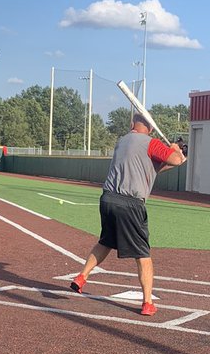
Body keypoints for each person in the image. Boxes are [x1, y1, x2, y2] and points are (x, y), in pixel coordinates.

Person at [69, 113, 185, 315]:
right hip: (130, 203)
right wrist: (175, 151)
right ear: (150, 128)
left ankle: (82, 277)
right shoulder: (150, 143)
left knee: (106, 241)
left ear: (133, 124)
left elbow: (151, 167)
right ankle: (147, 302)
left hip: (108, 199)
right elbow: (174, 160)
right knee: (143, 254)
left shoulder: (122, 141)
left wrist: (175, 155)